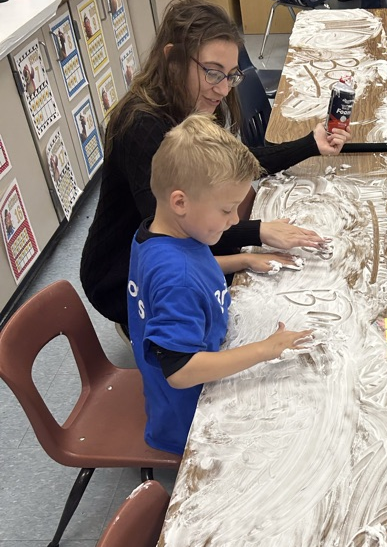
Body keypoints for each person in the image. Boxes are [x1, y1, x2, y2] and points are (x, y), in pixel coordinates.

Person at [80, 0, 348, 333]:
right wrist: (259, 231)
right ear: (173, 60)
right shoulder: (143, 127)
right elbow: (184, 230)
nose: (222, 89)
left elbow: (236, 163)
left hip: (175, 244)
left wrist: (311, 144)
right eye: (212, 73)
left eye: (231, 75)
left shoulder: (188, 102)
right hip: (120, 273)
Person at [128, 116, 314, 456]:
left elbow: (190, 270)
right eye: (227, 210)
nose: (234, 221)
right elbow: (181, 371)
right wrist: (266, 349)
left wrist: (242, 261)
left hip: (186, 387)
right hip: (193, 414)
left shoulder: (157, 236)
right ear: (180, 202)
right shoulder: (176, 278)